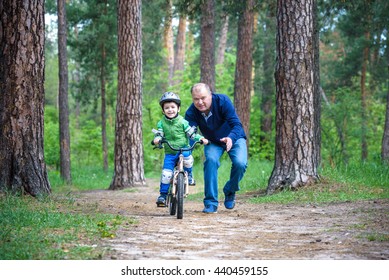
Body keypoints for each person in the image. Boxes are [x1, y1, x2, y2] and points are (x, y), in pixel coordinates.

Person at [185, 83, 248, 214]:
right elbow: (190, 134)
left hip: (233, 137)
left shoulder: (222, 101)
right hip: (213, 141)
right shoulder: (191, 112)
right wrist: (186, 153)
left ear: (211, 95)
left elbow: (237, 124)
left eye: (203, 98)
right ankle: (210, 202)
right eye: (196, 99)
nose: (200, 102)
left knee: (240, 163)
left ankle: (230, 190)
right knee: (211, 161)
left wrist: (230, 138)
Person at [153, 92, 208, 207]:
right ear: (163, 110)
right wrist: (157, 139)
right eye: (167, 108)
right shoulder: (161, 123)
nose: (170, 110)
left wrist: (201, 138)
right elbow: (159, 134)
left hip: (183, 149)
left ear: (178, 108)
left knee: (188, 159)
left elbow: (191, 134)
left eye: (173, 107)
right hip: (170, 152)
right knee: (166, 174)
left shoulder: (183, 122)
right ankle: (163, 195)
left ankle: (190, 175)